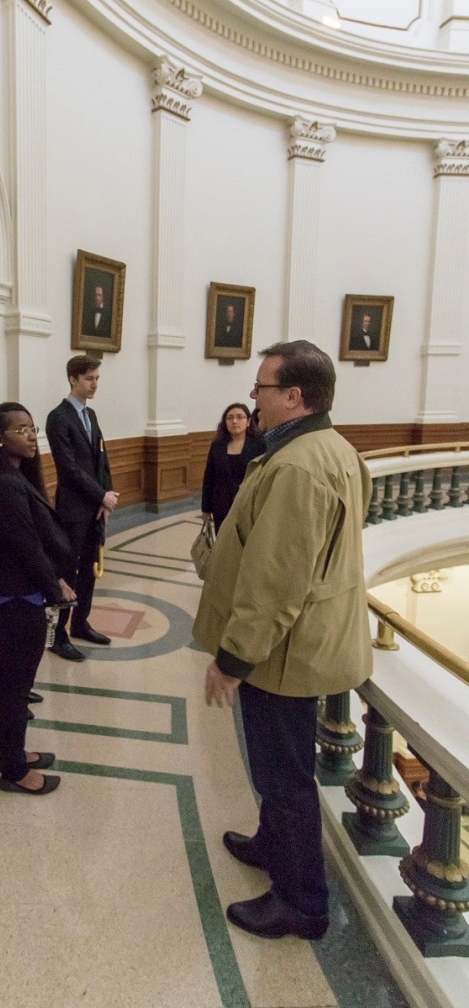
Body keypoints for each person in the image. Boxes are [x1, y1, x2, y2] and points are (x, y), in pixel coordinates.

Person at [193, 339, 372, 940]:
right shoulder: (331, 448)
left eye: (262, 388)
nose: (253, 397)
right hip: (303, 644)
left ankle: (301, 903)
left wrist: (232, 659)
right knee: (280, 769)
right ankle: (273, 845)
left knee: (284, 776)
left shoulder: (297, 465)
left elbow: (275, 580)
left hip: (283, 655)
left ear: (293, 396)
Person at [0, 403, 76, 795]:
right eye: (21, 429)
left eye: (32, 428)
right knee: (14, 687)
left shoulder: (11, 476)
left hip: (19, 594)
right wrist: (55, 585)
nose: (31, 435)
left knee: (14, 683)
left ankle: (12, 752)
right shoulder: (4, 484)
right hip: (17, 598)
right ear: (0, 438)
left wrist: (51, 582)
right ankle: (14, 770)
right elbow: (25, 546)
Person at [45, 354, 117, 661]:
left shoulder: (92, 416)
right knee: (68, 572)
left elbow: (101, 459)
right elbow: (69, 468)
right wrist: (101, 495)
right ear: (73, 379)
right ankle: (59, 634)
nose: (94, 384)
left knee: (89, 570)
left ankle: (80, 623)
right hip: (74, 509)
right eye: (89, 378)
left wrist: (107, 494)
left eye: (97, 378)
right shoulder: (58, 417)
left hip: (95, 508)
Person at [200, 402, 265, 533]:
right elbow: (209, 478)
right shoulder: (217, 446)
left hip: (248, 503)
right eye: (230, 418)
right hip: (221, 504)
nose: (235, 421)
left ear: (248, 422)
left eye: (240, 417)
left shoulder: (260, 444)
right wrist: (206, 508)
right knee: (223, 540)